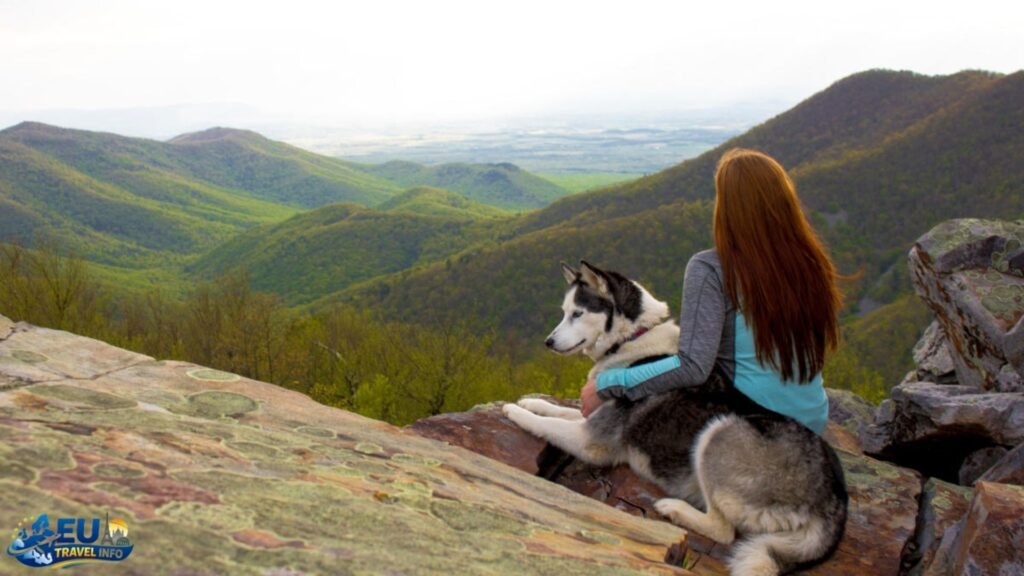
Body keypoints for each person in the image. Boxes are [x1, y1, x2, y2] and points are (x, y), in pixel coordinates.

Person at [579, 148, 843, 434]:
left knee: (653, 400)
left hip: (758, 426)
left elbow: (692, 366)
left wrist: (607, 384)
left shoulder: (712, 268)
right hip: (812, 421)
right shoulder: (809, 262)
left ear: (728, 207)